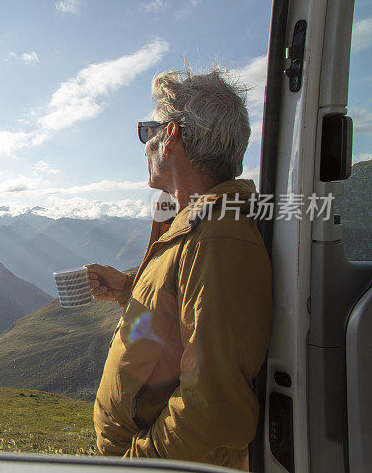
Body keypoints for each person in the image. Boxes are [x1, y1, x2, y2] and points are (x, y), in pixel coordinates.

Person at [86, 66, 273, 470]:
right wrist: (126, 289)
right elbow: (182, 312)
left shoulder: (219, 239)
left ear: (169, 137)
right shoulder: (194, 225)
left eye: (146, 131)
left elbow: (213, 407)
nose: (145, 143)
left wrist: (138, 464)